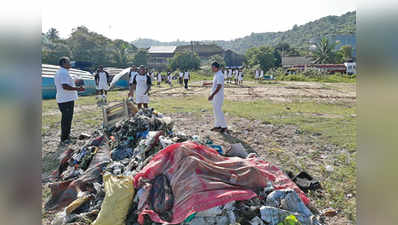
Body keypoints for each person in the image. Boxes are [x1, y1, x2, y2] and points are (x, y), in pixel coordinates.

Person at [54, 57, 85, 144]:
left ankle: (67, 135)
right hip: (65, 100)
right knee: (66, 119)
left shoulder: (63, 72)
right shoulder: (63, 72)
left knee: (68, 118)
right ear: (64, 63)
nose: (70, 64)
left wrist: (75, 81)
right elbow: (65, 86)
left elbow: (66, 84)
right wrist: (78, 89)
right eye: (68, 62)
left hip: (66, 99)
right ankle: (64, 138)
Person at [208, 62, 227, 133]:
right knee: (215, 111)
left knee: (218, 111)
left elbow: (219, 86)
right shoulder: (216, 74)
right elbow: (215, 83)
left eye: (212, 68)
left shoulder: (220, 75)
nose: (212, 69)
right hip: (215, 96)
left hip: (218, 96)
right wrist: (207, 83)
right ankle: (217, 125)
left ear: (216, 67)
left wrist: (212, 95)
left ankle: (224, 127)